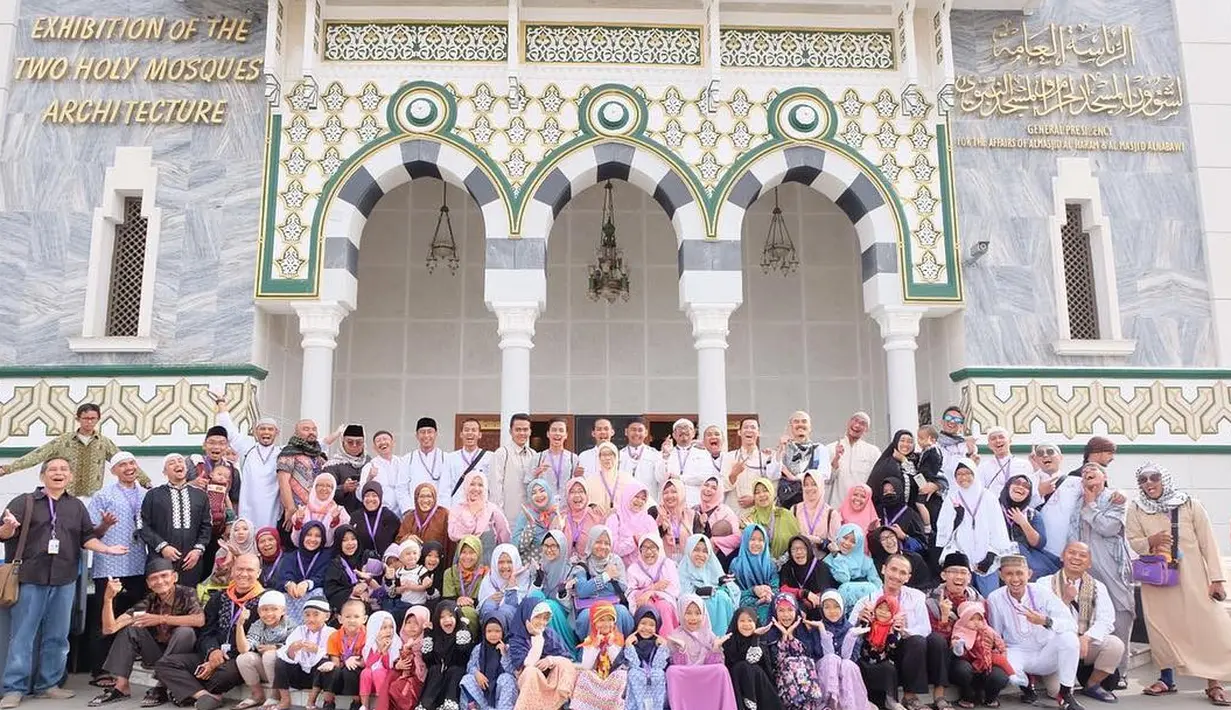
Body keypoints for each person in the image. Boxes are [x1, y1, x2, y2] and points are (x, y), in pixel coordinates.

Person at [0, 458, 129, 708]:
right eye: (53, 469)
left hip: (65, 578)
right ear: (43, 476)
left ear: (70, 476)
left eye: (64, 469)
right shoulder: (24, 501)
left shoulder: (76, 506)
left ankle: (48, 685)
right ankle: (13, 688)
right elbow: (3, 534)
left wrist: (107, 549)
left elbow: (86, 537)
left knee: (58, 636)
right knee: (23, 636)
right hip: (30, 577)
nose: (58, 473)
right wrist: (7, 527)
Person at [1125, 463, 1231, 704]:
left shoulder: (1189, 504)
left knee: (1206, 627)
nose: (1149, 483)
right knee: (1162, 628)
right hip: (1158, 580)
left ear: (1164, 479)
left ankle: (1213, 683)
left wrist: (1217, 579)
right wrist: (1151, 540)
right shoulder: (1136, 508)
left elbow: (1208, 542)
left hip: (1194, 578)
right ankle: (1166, 679)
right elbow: (1133, 541)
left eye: (1154, 477)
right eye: (1143, 479)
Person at [153, 554, 267, 710]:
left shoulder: (266, 600)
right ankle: (205, 695)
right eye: (240, 569)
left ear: (258, 573)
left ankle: (188, 690)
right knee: (165, 664)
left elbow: (264, 637)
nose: (244, 574)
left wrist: (222, 659)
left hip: (240, 659)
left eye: (250, 570)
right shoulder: (219, 597)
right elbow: (206, 632)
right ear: (232, 570)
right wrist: (213, 651)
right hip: (213, 654)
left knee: (223, 676)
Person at [89, 559, 205, 707]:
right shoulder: (149, 601)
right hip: (158, 654)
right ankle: (121, 686)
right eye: (154, 578)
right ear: (149, 584)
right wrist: (108, 599)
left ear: (174, 577)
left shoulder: (187, 593)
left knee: (185, 632)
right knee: (130, 629)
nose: (160, 581)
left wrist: (160, 619)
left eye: (164, 576)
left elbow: (199, 620)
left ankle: (162, 686)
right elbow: (109, 629)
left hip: (184, 658)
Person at [984, 555, 1084, 710]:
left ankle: (1065, 694)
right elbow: (996, 632)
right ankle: (1027, 686)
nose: (1015, 579)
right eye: (1009, 574)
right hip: (1017, 652)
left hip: (1046, 652)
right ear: (1001, 575)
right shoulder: (995, 598)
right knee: (1009, 669)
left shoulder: (1042, 592)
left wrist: (1045, 621)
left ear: (1029, 574)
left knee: (1069, 639)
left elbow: (1070, 624)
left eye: (1019, 573)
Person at [849, 554, 946, 710]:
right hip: (879, 653)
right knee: (916, 642)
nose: (896, 576)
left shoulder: (916, 597)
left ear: (908, 577)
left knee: (929, 640)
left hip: (908, 651)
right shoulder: (867, 600)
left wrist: (903, 630)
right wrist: (860, 621)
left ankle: (914, 696)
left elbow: (925, 629)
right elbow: (848, 632)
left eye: (902, 573)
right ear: (883, 569)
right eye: (893, 569)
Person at [86, 452, 149, 690]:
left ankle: (127, 666)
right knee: (105, 617)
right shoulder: (103, 495)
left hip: (138, 564)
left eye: (132, 463)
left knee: (134, 616)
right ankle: (100, 669)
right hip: (110, 566)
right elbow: (91, 533)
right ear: (113, 471)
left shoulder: (146, 494)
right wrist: (105, 525)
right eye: (122, 465)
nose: (128, 467)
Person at [1068, 462, 1133, 682]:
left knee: (1121, 612)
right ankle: (1089, 669)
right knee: (1088, 614)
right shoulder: (1077, 501)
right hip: (1083, 566)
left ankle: (1120, 671)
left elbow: (1109, 527)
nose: (1087, 473)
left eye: (1093, 470)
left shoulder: (1115, 498)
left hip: (1111, 565)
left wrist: (1091, 505)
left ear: (1104, 477)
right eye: (1084, 472)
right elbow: (1072, 532)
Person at [0, 402, 150, 496]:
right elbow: (37, 455)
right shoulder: (63, 440)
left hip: (93, 496)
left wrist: (145, 481)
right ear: (78, 419)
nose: (89, 422)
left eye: (93, 418)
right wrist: (7, 469)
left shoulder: (103, 442)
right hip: (65, 494)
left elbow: (124, 462)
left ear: (98, 419)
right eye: (86, 418)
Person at [1038, 542, 1124, 703]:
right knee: (1056, 692)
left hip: (1085, 645)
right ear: (1062, 556)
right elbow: (1042, 620)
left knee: (1115, 644)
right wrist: (1065, 600)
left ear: (1089, 563)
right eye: (1072, 553)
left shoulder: (1098, 587)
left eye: (1083, 555)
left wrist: (1086, 638)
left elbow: (1107, 620)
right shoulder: (1043, 584)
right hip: (1057, 646)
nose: (1076, 558)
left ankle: (1092, 685)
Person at [936, 458, 1013, 595]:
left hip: (987, 557)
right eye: (959, 474)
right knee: (964, 598)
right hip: (961, 558)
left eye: (967, 473)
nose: (963, 477)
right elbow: (944, 529)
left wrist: (991, 554)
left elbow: (998, 528)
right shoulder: (952, 498)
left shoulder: (988, 497)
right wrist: (956, 520)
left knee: (990, 598)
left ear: (974, 474)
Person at [141, 453, 213, 587]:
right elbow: (143, 525)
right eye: (172, 462)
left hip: (191, 560)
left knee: (189, 595)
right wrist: (163, 547)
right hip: (161, 559)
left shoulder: (200, 496)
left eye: (180, 461)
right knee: (162, 595)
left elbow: (206, 526)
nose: (177, 464)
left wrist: (198, 550)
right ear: (164, 472)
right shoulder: (153, 495)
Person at [663, 595, 738, 710]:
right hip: (687, 675)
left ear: (703, 615)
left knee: (721, 670)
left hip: (705, 673)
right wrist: (682, 650)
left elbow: (713, 664)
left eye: (697, 613)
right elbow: (678, 665)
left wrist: (715, 648)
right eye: (688, 613)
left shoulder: (709, 634)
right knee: (672, 671)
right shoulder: (676, 635)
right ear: (681, 614)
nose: (693, 618)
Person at [234, 590, 294, 710]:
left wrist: (276, 647)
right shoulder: (258, 625)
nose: (269, 613)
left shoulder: (290, 624)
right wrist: (239, 625)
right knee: (243, 658)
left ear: (283, 611)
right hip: (266, 669)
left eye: (274, 609)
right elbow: (243, 649)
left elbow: (294, 647)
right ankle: (257, 695)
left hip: (285, 672)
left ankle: (276, 695)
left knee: (269, 655)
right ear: (259, 611)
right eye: (264, 609)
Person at [271, 598, 334, 710]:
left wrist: (317, 650)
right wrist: (292, 649)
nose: (311, 619)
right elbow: (284, 653)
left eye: (316, 615)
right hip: (299, 676)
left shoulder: (332, 632)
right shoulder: (299, 630)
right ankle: (285, 700)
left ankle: (311, 700)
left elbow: (334, 655)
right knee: (280, 662)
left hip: (318, 678)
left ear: (327, 616)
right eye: (307, 615)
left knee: (325, 662)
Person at [766, 593, 826, 710]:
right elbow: (777, 662)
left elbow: (806, 657)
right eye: (781, 610)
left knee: (803, 660)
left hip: (805, 686)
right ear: (774, 612)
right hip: (781, 686)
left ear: (796, 611)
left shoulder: (803, 631)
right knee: (789, 662)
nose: (786, 615)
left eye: (790, 610)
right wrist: (784, 637)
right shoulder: (768, 634)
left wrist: (791, 636)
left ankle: (810, 705)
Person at [948, 601, 1012, 709]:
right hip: (966, 661)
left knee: (1000, 677)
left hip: (986, 662)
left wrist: (1000, 653)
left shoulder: (988, 630)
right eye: (971, 619)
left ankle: (990, 698)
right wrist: (958, 645)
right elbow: (955, 641)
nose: (976, 622)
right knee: (962, 670)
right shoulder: (960, 628)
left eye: (979, 619)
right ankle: (967, 696)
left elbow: (1000, 643)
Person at [573, 526, 634, 638]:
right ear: (591, 542)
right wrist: (605, 577)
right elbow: (581, 591)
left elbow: (622, 587)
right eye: (598, 542)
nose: (603, 546)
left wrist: (592, 587)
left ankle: (617, 645)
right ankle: (591, 646)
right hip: (589, 606)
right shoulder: (582, 564)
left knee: (621, 611)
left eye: (607, 543)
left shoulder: (615, 561)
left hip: (613, 604)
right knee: (586, 616)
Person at [275, 419, 328, 547]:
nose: (311, 432)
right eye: (306, 429)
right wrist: (290, 507)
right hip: (296, 511)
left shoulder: (318, 455)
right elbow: (283, 481)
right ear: (296, 433)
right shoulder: (289, 453)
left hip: (316, 512)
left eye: (314, 429)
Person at [1001, 474, 1060, 579]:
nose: (1020, 487)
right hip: (998, 557)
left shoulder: (1033, 514)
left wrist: (1023, 523)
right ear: (1008, 486)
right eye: (1017, 483)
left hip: (1027, 558)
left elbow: (1039, 543)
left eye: (1026, 486)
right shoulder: (994, 508)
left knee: (1039, 572)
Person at [677, 533, 739, 634]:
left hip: (719, 626)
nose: (700, 555)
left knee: (721, 596)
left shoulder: (713, 568)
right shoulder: (682, 571)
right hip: (692, 624)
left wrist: (723, 587)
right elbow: (681, 596)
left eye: (705, 551)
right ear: (689, 550)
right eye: (696, 550)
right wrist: (698, 593)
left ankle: (722, 639)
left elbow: (734, 590)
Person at [572, 602, 629, 710]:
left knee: (622, 675)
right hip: (595, 681)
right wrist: (594, 647)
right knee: (583, 674)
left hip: (612, 681)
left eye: (610, 620)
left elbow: (619, 665)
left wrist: (610, 645)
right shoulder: (589, 640)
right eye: (601, 620)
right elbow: (586, 666)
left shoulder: (619, 638)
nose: (606, 624)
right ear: (594, 622)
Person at [420, 600, 475, 710]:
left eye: (451, 615)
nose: (447, 620)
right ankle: (426, 706)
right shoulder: (436, 635)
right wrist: (427, 634)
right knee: (435, 669)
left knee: (455, 670)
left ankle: (450, 704)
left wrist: (463, 626)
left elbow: (462, 651)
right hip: (438, 678)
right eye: (442, 617)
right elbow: (427, 659)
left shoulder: (462, 632)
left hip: (456, 678)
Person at [723, 606, 780, 710]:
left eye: (750, 621)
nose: (746, 624)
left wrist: (755, 637)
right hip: (737, 686)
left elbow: (753, 660)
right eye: (742, 621)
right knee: (742, 667)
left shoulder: (760, 640)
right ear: (736, 622)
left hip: (758, 687)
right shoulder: (729, 641)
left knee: (754, 668)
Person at [1031, 443, 1082, 560]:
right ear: (1036, 460)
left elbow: (1099, 495)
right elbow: (1019, 510)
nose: (1045, 455)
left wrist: (1120, 494)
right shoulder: (1027, 481)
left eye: (1050, 452)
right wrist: (1040, 493)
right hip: (1038, 548)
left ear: (1060, 457)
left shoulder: (1077, 482)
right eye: (1040, 453)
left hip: (1068, 548)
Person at [276, 520, 333, 625]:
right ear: (302, 536)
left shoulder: (326, 556)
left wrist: (308, 584)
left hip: (314, 599)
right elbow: (282, 577)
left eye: (317, 536)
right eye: (308, 535)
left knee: (319, 592)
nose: (312, 539)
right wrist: (289, 584)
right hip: (293, 598)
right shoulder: (291, 556)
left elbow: (324, 577)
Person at [855, 594, 905, 710]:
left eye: (888, 610)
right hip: (864, 661)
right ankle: (863, 700)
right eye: (880, 608)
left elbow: (893, 648)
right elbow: (858, 634)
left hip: (882, 663)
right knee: (857, 666)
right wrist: (864, 618)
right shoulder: (869, 622)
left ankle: (890, 700)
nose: (883, 612)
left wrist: (892, 633)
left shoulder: (894, 628)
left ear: (894, 613)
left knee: (889, 668)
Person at [459, 608, 516, 710]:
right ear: (484, 632)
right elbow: (470, 666)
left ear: (503, 631)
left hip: (500, 694)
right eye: (489, 631)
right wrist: (477, 674)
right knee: (467, 679)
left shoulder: (508, 648)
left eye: (497, 631)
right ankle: (472, 707)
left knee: (507, 678)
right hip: (483, 690)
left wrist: (504, 654)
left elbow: (513, 672)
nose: (493, 634)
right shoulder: (479, 648)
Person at [625, 534, 681, 636]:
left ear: (659, 548)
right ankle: (648, 641)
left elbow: (674, 589)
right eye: (645, 548)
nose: (649, 552)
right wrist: (652, 588)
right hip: (643, 601)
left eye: (652, 547)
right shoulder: (633, 569)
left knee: (664, 606)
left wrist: (651, 593)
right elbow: (630, 592)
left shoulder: (667, 564)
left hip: (664, 599)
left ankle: (667, 640)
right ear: (640, 550)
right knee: (647, 608)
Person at [724, 418, 782, 513]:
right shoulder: (729, 457)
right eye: (746, 427)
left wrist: (755, 499)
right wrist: (733, 474)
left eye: (753, 427)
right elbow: (722, 486)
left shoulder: (766, 458)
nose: (749, 430)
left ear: (758, 433)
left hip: (759, 511)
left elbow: (773, 486)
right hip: (734, 510)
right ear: (739, 432)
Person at [532, 531, 578, 650]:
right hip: (540, 617)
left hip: (563, 618)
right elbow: (530, 599)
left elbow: (570, 607)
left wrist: (562, 593)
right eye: (546, 546)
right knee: (536, 595)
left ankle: (559, 647)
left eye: (554, 546)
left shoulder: (571, 570)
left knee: (549, 605)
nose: (549, 550)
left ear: (562, 547)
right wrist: (537, 582)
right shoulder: (539, 567)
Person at [318, 598, 368, 708]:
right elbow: (335, 662)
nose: (352, 620)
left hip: (357, 671)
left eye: (356, 617)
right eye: (348, 617)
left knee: (351, 670)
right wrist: (333, 664)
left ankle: (356, 702)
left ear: (364, 619)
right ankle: (329, 702)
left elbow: (367, 660)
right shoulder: (334, 637)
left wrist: (356, 661)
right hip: (340, 670)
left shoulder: (368, 635)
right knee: (329, 669)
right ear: (340, 619)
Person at [403, 417, 454, 516]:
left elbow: (447, 488)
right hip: (414, 512)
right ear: (417, 435)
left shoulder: (446, 458)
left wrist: (441, 512)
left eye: (430, 432)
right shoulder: (407, 459)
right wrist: (409, 509)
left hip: (438, 513)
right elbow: (402, 488)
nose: (426, 435)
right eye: (422, 432)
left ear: (436, 434)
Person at [776, 410, 827, 511]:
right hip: (787, 504)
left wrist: (795, 477)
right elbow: (772, 473)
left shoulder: (819, 449)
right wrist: (780, 449)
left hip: (812, 503)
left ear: (810, 427)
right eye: (796, 421)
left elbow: (824, 474)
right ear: (790, 427)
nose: (800, 424)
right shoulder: (784, 448)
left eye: (804, 421)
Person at [827, 412, 880, 507]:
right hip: (837, 508)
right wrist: (836, 459)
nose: (857, 425)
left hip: (861, 508)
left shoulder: (873, 452)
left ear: (866, 430)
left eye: (862, 423)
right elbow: (826, 480)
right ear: (848, 423)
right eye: (855, 420)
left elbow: (876, 482)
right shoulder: (830, 448)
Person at [490, 413, 536, 522]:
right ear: (511, 431)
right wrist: (499, 516)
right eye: (518, 430)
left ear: (530, 431)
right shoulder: (502, 453)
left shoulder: (533, 454)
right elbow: (495, 488)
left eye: (525, 430)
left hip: (530, 516)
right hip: (508, 517)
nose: (522, 433)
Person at [825, 524, 883, 609]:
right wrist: (837, 556)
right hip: (838, 608)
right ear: (838, 537)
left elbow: (877, 585)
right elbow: (843, 578)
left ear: (858, 544)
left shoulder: (866, 561)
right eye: (845, 538)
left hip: (866, 607)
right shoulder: (829, 560)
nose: (847, 543)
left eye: (853, 541)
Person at [729, 524, 779, 624]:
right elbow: (733, 592)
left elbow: (775, 588)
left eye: (761, 540)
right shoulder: (736, 564)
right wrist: (753, 591)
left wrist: (767, 595)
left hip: (767, 601)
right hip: (744, 601)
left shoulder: (770, 564)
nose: (756, 543)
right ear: (745, 541)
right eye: (752, 539)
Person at [779, 535, 837, 620]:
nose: (799, 552)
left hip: (818, 610)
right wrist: (804, 593)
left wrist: (807, 603)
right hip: (794, 610)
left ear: (809, 549)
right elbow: (783, 589)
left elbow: (826, 592)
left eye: (803, 548)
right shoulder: (787, 567)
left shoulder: (820, 567)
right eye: (794, 549)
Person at [449, 472, 512, 550]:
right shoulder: (457, 510)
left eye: (480, 485)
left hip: (488, 557)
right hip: (464, 557)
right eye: (472, 484)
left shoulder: (493, 511)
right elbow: (453, 535)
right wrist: (472, 514)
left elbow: (505, 540)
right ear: (466, 486)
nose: (476, 489)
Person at [623, 606, 670, 710]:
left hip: (655, 691)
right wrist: (629, 645)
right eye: (643, 623)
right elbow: (633, 665)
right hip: (636, 691)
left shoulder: (658, 644)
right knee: (634, 673)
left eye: (651, 625)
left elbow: (659, 666)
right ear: (637, 624)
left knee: (659, 674)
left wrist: (663, 647)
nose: (647, 628)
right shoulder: (632, 643)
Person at [606, 479, 657, 568]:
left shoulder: (649, 520)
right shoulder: (614, 519)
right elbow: (611, 550)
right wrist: (634, 540)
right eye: (636, 496)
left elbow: (657, 548)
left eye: (643, 499)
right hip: (619, 571)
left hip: (645, 571)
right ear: (627, 496)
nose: (640, 501)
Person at [871, 476, 928, 557]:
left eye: (893, 491)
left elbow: (923, 546)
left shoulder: (910, 514)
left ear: (900, 491)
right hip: (881, 559)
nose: (889, 494)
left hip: (904, 560)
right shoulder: (877, 511)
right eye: (885, 491)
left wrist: (904, 537)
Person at [397, 482, 453, 563]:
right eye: (422, 496)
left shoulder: (444, 514)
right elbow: (398, 540)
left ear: (434, 498)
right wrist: (407, 538)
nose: (425, 500)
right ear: (416, 499)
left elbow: (451, 544)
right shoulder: (409, 517)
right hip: (413, 565)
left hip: (437, 564)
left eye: (429, 496)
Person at [746, 477, 801, 559]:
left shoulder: (785, 515)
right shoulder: (749, 519)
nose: (762, 495)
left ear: (772, 493)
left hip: (786, 563)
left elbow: (796, 542)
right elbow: (746, 548)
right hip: (757, 564)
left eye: (765, 490)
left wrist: (780, 561)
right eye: (757, 492)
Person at [387, 607, 430, 710]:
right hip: (406, 675)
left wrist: (409, 649)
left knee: (397, 686)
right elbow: (398, 660)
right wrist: (398, 664)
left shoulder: (426, 641)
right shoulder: (400, 641)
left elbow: (421, 663)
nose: (411, 626)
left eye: (416, 623)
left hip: (420, 678)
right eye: (408, 622)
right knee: (392, 680)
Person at [323, 424, 371, 517]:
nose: (354, 445)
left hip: (366, 515)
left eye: (359, 442)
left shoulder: (370, 462)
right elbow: (324, 492)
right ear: (342, 442)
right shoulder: (332, 465)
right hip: (340, 516)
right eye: (350, 442)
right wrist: (344, 488)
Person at [324, 525, 375, 611]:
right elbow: (331, 592)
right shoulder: (335, 564)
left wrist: (366, 585)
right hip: (347, 610)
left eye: (353, 539)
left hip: (372, 606)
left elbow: (380, 584)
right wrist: (352, 592)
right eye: (344, 540)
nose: (350, 543)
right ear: (338, 542)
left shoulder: (366, 557)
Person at [291, 473, 350, 546]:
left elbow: (340, 540)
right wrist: (298, 523)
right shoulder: (302, 511)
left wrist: (335, 521)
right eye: (321, 485)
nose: (324, 488)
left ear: (333, 489)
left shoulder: (340, 511)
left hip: (329, 552)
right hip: (306, 551)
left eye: (328, 486)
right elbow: (296, 542)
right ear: (314, 488)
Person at [357, 610, 401, 710]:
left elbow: (390, 667)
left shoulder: (396, 643)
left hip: (389, 677)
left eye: (391, 627)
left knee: (378, 672)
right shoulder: (370, 643)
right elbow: (369, 664)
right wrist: (379, 651)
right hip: (372, 679)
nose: (389, 631)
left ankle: (380, 705)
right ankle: (365, 705)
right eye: (384, 628)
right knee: (365, 672)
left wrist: (385, 652)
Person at [554, 477, 604, 563]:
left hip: (591, 566)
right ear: (567, 496)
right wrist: (559, 528)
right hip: (563, 566)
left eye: (581, 491)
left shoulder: (596, 516)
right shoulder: (560, 516)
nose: (577, 495)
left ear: (586, 495)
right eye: (572, 492)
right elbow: (552, 544)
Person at [444, 535, 489, 631]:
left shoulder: (485, 573)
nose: (467, 557)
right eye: (463, 552)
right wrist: (458, 600)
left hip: (477, 611)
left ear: (478, 553)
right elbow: (447, 599)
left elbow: (484, 599)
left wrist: (470, 602)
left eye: (472, 552)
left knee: (467, 612)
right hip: (454, 611)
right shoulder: (450, 572)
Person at [692, 475, 741, 562]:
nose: (708, 489)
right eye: (706, 485)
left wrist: (714, 541)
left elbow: (738, 538)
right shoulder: (693, 510)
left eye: (714, 488)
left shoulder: (725, 512)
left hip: (717, 559)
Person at [533, 418, 581, 506]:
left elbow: (578, 484)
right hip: (545, 507)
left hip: (567, 507)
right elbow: (528, 484)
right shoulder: (538, 457)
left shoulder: (573, 458)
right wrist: (536, 474)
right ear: (548, 434)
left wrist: (578, 477)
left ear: (566, 435)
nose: (557, 433)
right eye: (554, 430)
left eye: (561, 430)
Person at [870, 526, 933, 592]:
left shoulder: (914, 558)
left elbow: (925, 585)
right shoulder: (873, 566)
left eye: (891, 536)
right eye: (883, 539)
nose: (889, 541)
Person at [361, 431, 409, 516]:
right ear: (374, 447)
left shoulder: (403, 463)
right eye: (378, 441)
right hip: (381, 515)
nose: (382, 442)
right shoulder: (369, 466)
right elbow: (360, 494)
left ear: (393, 443)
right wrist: (369, 478)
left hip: (403, 512)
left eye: (385, 439)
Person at [511, 478, 558, 566]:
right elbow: (517, 548)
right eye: (533, 493)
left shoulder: (555, 513)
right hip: (531, 569)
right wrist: (531, 526)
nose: (538, 495)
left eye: (542, 491)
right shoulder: (525, 515)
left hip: (553, 567)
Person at [476, 543, 531, 618]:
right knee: (489, 605)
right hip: (490, 623)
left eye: (509, 562)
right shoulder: (490, 578)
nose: (505, 566)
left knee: (507, 610)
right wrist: (488, 599)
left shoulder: (523, 577)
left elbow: (522, 605)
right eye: (501, 562)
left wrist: (512, 588)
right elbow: (482, 604)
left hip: (514, 621)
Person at [793, 471, 841, 556]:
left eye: (814, 484)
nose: (809, 488)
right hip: (799, 558)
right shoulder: (795, 509)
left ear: (820, 486)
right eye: (806, 485)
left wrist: (819, 541)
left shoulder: (831, 514)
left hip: (822, 561)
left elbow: (836, 545)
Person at [447, 417, 491, 505]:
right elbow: (446, 487)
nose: (470, 433)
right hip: (457, 505)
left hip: (481, 506)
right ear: (461, 434)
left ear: (480, 435)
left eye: (474, 430)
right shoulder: (450, 458)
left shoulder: (490, 457)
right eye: (466, 430)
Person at [975, 427, 1033, 493]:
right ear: (989, 446)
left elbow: (1030, 489)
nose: (998, 441)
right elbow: (979, 491)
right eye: (993, 438)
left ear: (1010, 441)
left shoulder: (1024, 464)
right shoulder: (983, 467)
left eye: (1001, 437)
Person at [586, 442, 636, 516]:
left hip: (621, 519)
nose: (607, 458)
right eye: (604, 455)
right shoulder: (590, 481)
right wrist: (592, 506)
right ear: (599, 457)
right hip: (597, 519)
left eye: (610, 454)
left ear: (616, 457)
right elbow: (584, 502)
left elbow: (640, 497)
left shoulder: (626, 479)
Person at [353, 481, 401, 557]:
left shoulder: (390, 517)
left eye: (374, 495)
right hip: (361, 561)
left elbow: (398, 541)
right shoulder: (356, 517)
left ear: (380, 497)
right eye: (367, 495)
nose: (370, 499)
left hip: (386, 561)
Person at [621, 417, 664, 498]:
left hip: (649, 500)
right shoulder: (619, 455)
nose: (637, 433)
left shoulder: (655, 454)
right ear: (626, 432)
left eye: (640, 430)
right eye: (633, 430)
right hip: (625, 501)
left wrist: (665, 458)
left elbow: (661, 478)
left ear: (646, 433)